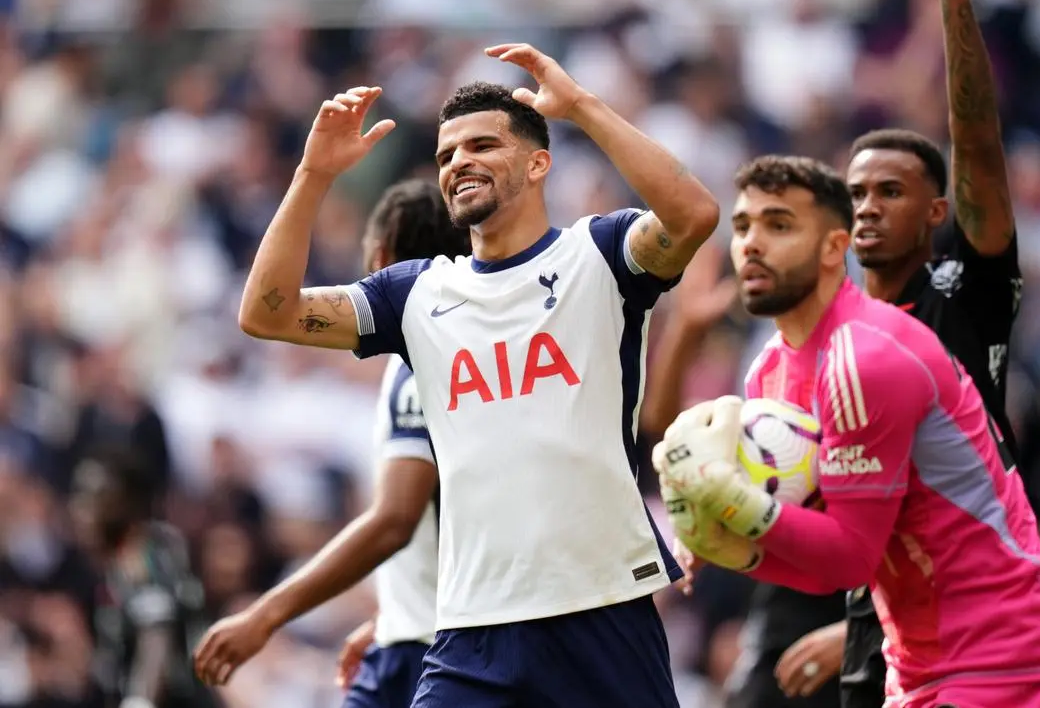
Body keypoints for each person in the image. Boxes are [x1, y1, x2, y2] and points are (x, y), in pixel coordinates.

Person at [233, 42, 721, 707]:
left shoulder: (599, 254)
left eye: (482, 145)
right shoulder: (416, 294)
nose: (459, 161)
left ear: (537, 160)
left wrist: (578, 105)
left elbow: (693, 214)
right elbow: (266, 313)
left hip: (602, 601)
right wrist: (312, 175)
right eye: (445, 155)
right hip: (472, 627)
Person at [655, 155, 1040, 708]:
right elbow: (830, 570)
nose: (752, 244)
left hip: (1007, 657)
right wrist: (735, 546)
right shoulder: (770, 371)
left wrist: (741, 505)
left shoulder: (865, 356)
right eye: (743, 227)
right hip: (920, 667)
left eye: (779, 224)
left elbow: (851, 556)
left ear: (836, 248)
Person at [787, 0, 1025, 706]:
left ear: (936, 212)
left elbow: (981, 145)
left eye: (893, 191)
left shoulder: (966, 285)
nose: (871, 207)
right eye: (857, 195)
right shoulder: (827, 334)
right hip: (878, 615)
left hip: (982, 611)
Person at [192, 178, 471, 707]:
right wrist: (390, 615)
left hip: (431, 652)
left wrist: (265, 615)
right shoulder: (460, 355)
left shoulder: (418, 368)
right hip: (423, 636)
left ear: (381, 255)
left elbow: (395, 520)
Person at [641, 245, 847, 708]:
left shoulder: (873, 369)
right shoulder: (767, 368)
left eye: (778, 228)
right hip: (783, 607)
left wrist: (862, 631)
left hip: (864, 623)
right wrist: (689, 327)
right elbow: (672, 434)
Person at [70, 448, 215, 708]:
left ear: (129, 503)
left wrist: (140, 701)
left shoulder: (147, 557)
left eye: (98, 497)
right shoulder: (112, 563)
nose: (82, 508)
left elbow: (156, 637)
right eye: (79, 495)